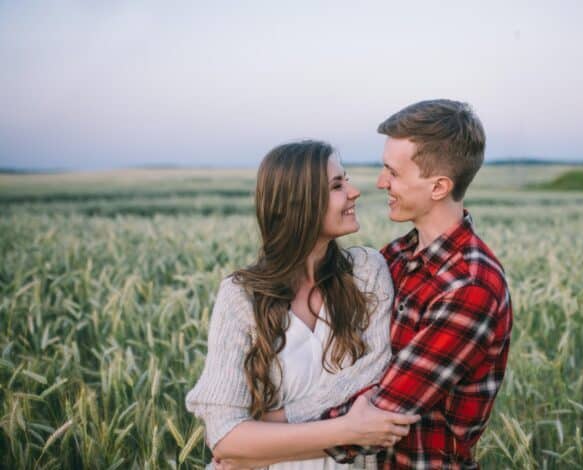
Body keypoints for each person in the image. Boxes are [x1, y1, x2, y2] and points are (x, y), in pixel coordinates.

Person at [185, 140, 420, 469]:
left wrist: (274, 421)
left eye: (346, 180)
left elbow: (375, 374)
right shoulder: (242, 295)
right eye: (337, 185)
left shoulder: (366, 271)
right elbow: (224, 437)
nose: (354, 192)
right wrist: (347, 429)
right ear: (299, 204)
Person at [315, 99, 514, 469]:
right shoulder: (395, 256)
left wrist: (258, 442)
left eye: (393, 172)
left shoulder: (468, 286)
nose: (379, 183)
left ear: (438, 187)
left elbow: (382, 416)